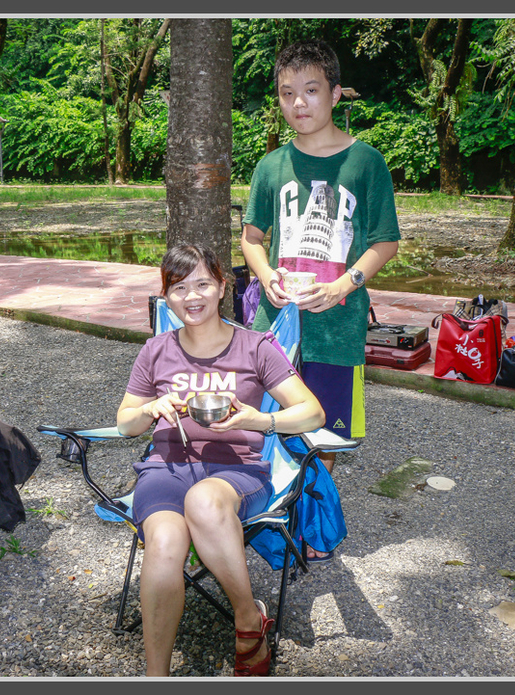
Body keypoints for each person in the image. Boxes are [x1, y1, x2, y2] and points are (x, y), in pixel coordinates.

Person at [116, 244, 325, 677]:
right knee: (164, 542)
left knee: (204, 501)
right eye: (179, 288)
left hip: (238, 472)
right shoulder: (155, 350)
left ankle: (246, 620)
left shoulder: (256, 347)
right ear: (166, 296)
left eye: (202, 284)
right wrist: (149, 409)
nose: (191, 297)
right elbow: (125, 424)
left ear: (222, 287)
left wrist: (259, 419)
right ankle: (156, 677)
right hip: (167, 469)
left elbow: (312, 413)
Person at [240, 39, 400, 561]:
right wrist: (266, 276)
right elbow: (252, 238)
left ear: (334, 93)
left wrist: (342, 285)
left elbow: (385, 241)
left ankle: (311, 524)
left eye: (310, 90)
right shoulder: (271, 166)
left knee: (325, 434)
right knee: (270, 421)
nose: (299, 103)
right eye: (287, 93)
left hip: (337, 328)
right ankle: (268, 514)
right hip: (276, 328)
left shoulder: (365, 163)